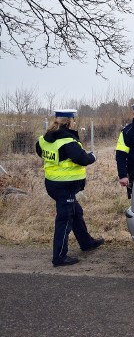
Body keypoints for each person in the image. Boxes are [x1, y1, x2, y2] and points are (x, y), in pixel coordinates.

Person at [35, 109, 104, 267]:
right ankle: (59, 257)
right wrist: (93, 156)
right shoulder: (68, 141)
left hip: (52, 183)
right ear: (70, 122)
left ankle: (86, 243)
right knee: (64, 219)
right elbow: (82, 159)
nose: (75, 123)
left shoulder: (45, 138)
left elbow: (40, 151)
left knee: (76, 212)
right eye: (74, 121)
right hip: (64, 186)